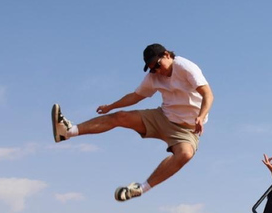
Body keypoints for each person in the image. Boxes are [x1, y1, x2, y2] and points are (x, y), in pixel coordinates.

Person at [50, 43, 213, 202]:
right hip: (163, 117)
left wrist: (201, 115)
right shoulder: (153, 76)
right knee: (120, 116)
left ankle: (140, 188)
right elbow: (135, 96)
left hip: (186, 129)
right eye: (152, 69)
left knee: (185, 154)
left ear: (167, 55)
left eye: (157, 65)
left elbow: (208, 94)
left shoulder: (185, 67)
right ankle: (67, 131)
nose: (157, 71)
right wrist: (111, 106)